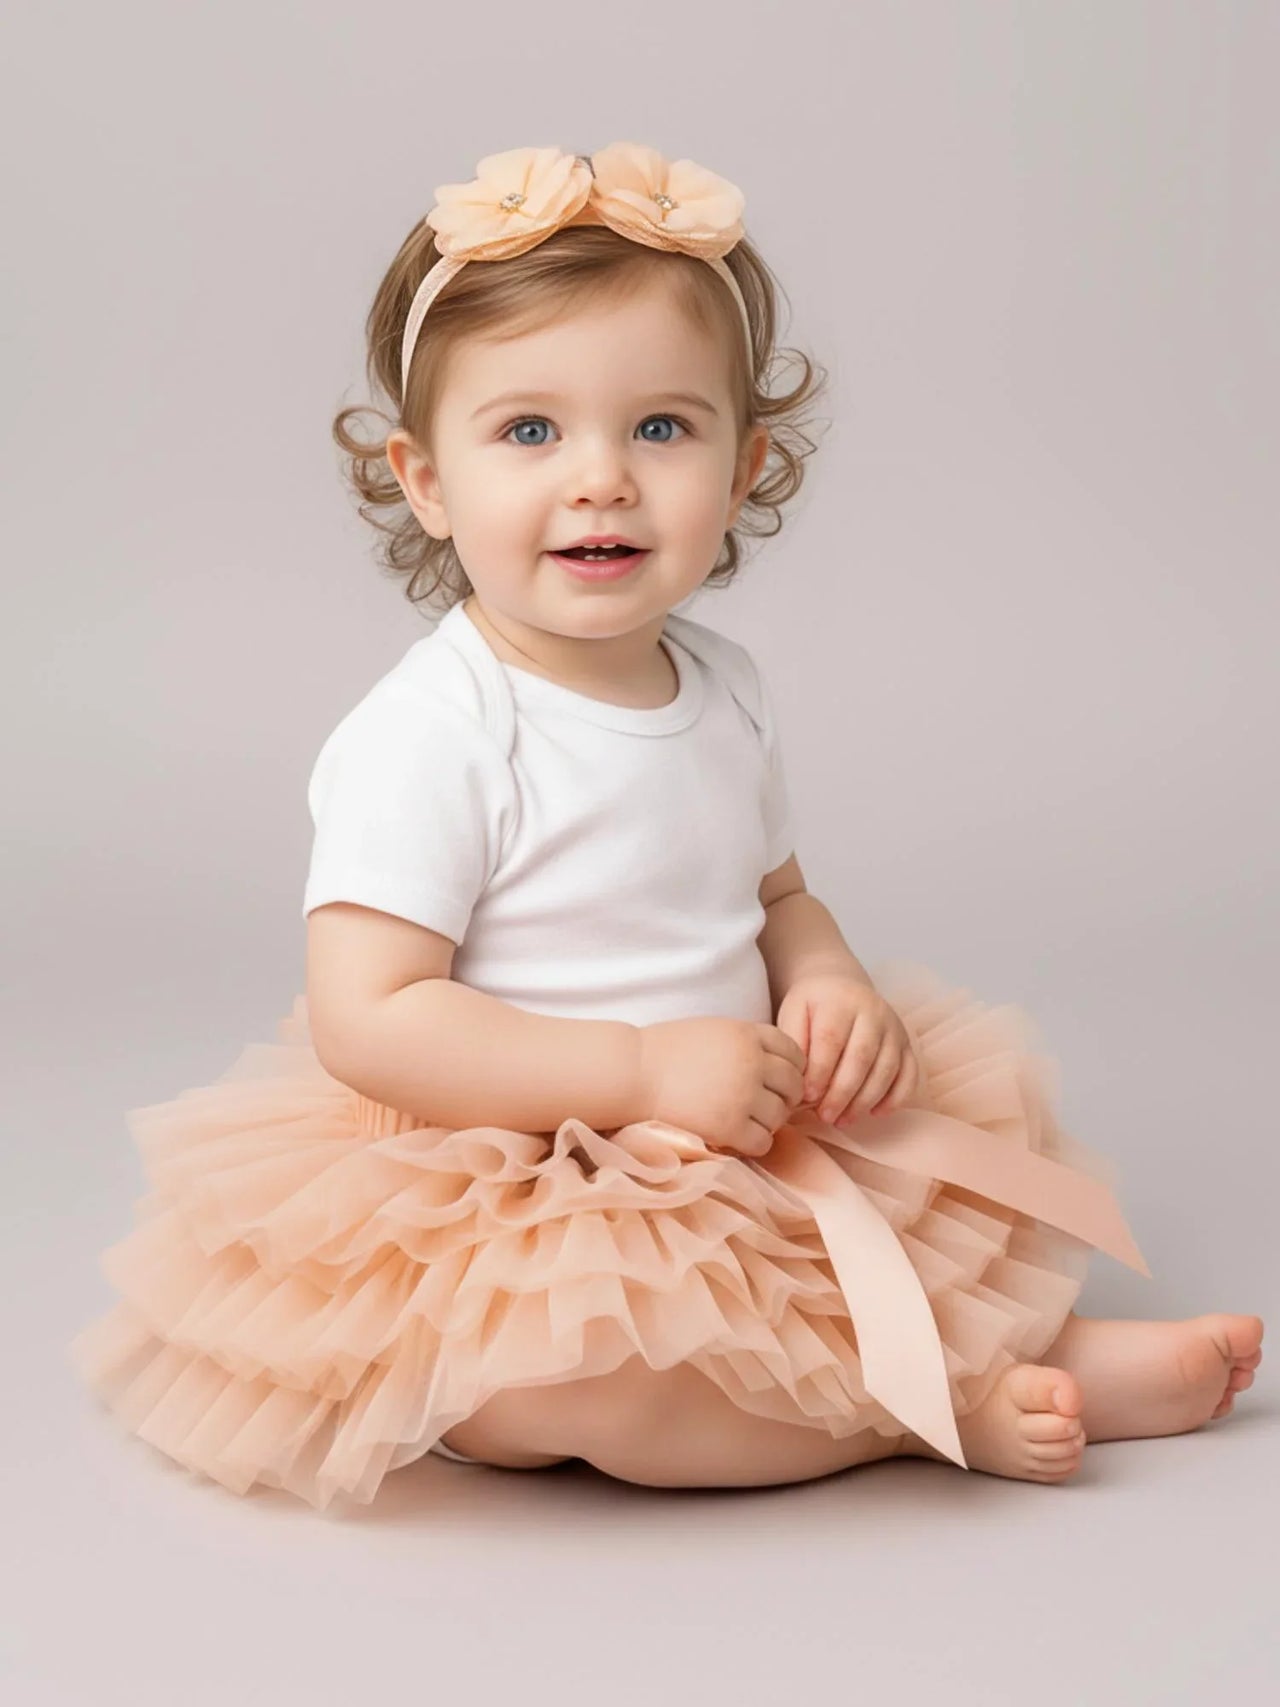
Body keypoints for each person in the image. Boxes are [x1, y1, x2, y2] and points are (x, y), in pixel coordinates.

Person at [70, 141, 1263, 1513]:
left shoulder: (723, 687)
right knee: (579, 1377)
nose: (602, 480)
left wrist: (826, 979)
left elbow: (776, 893)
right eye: (530, 431)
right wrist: (636, 1073)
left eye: (660, 428)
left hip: (734, 1130)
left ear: (745, 466)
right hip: (514, 1169)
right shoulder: (438, 730)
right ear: (426, 478)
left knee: (861, 1249)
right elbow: (371, 1016)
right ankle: (922, 1412)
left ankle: (1007, 1351)